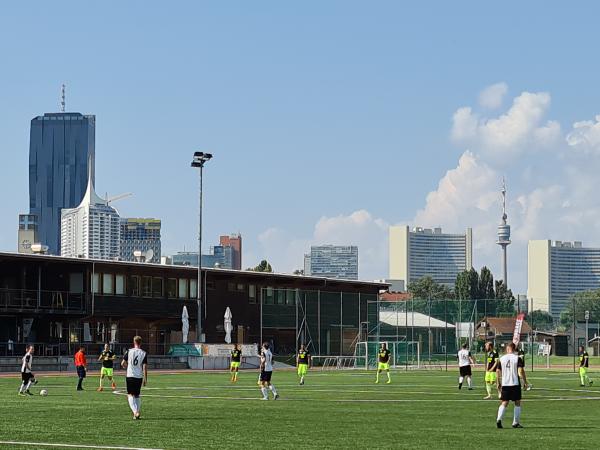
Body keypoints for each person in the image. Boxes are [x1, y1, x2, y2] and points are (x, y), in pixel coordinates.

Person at [496, 342, 529, 429]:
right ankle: (515, 422)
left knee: (504, 402)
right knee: (517, 402)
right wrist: (525, 382)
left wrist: (498, 382)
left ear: (508, 349)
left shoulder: (501, 358)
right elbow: (521, 371)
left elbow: (498, 371)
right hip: (515, 383)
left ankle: (499, 419)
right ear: (514, 349)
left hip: (505, 383)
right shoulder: (517, 358)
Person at [121, 336, 148, 420]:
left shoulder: (129, 351)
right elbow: (145, 367)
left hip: (130, 375)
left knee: (130, 394)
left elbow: (122, 363)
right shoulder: (143, 353)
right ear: (141, 342)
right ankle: (136, 412)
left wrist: (127, 367)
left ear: (134, 342)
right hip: (138, 376)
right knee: (137, 395)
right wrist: (145, 378)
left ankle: (135, 412)